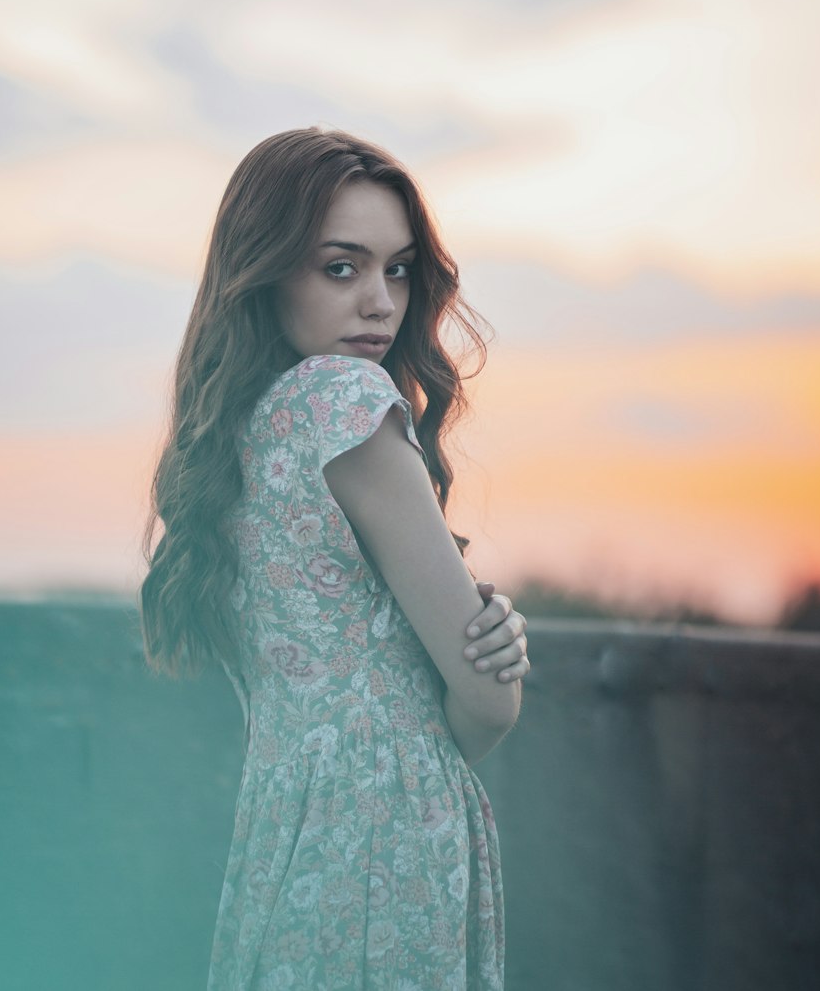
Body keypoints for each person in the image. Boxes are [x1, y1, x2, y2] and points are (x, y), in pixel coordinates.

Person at [139, 126, 530, 990]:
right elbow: (490, 704)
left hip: (287, 836)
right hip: (389, 841)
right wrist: (491, 661)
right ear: (267, 268)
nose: (381, 302)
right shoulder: (341, 399)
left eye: (397, 269)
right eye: (341, 266)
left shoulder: (233, 435)